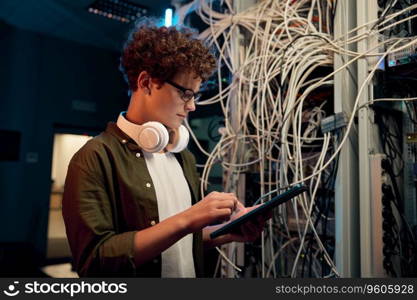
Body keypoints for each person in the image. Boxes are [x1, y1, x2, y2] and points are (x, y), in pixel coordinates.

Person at [62, 19, 267, 278]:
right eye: (186, 93)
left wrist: (227, 232)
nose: (192, 106)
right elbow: (95, 262)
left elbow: (180, 243)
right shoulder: (94, 158)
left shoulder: (183, 158)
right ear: (146, 82)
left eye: (195, 95)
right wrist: (189, 218)